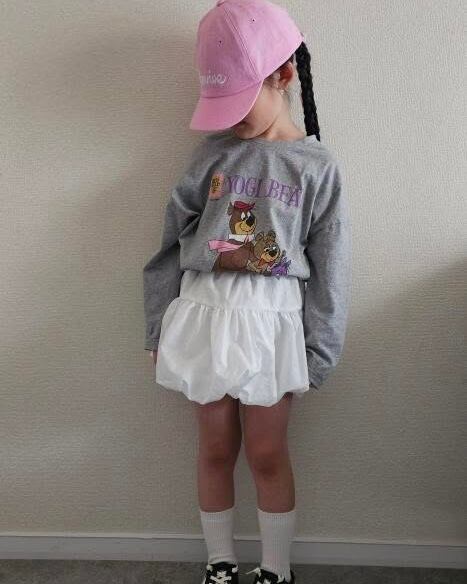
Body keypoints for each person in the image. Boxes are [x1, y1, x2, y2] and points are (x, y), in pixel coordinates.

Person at [142, 0, 352, 582]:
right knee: (214, 449)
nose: (230, 120)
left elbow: (331, 265)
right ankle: (220, 562)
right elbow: (169, 246)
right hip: (205, 317)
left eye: (240, 101)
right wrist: (157, 327)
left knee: (266, 452)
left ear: (283, 75)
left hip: (273, 325)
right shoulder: (210, 156)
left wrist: (320, 350)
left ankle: (276, 569)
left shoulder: (316, 166)